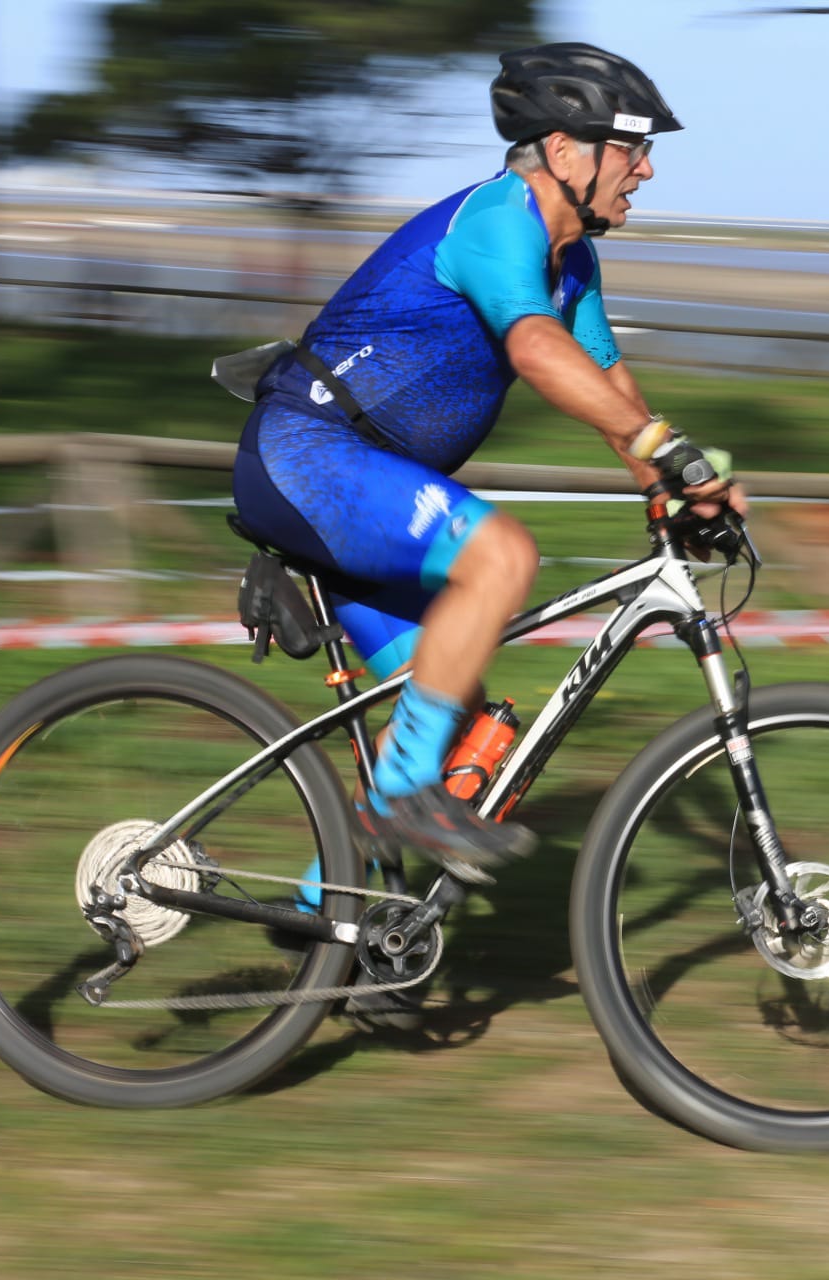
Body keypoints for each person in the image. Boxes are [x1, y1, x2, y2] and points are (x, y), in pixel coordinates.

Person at [231, 43, 745, 891]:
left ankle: (338, 923)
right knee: (502, 556)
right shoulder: (499, 220)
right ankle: (399, 797)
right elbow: (538, 350)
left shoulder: (572, 260)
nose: (647, 170)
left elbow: (612, 390)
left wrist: (683, 487)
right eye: (633, 147)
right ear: (564, 149)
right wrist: (660, 449)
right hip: (310, 460)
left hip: (370, 490)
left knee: (472, 743)